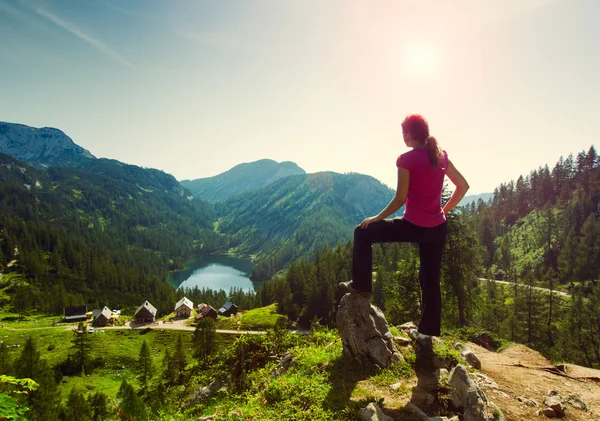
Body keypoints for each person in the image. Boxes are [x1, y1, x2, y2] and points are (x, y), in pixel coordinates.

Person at [339, 114, 469, 341]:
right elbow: (463, 186)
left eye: (403, 133)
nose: (402, 137)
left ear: (409, 134)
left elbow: (400, 199)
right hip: (437, 228)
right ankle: (428, 334)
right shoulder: (441, 156)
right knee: (430, 280)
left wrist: (376, 217)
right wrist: (444, 211)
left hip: (413, 225)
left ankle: (362, 285)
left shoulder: (405, 159)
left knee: (362, 232)